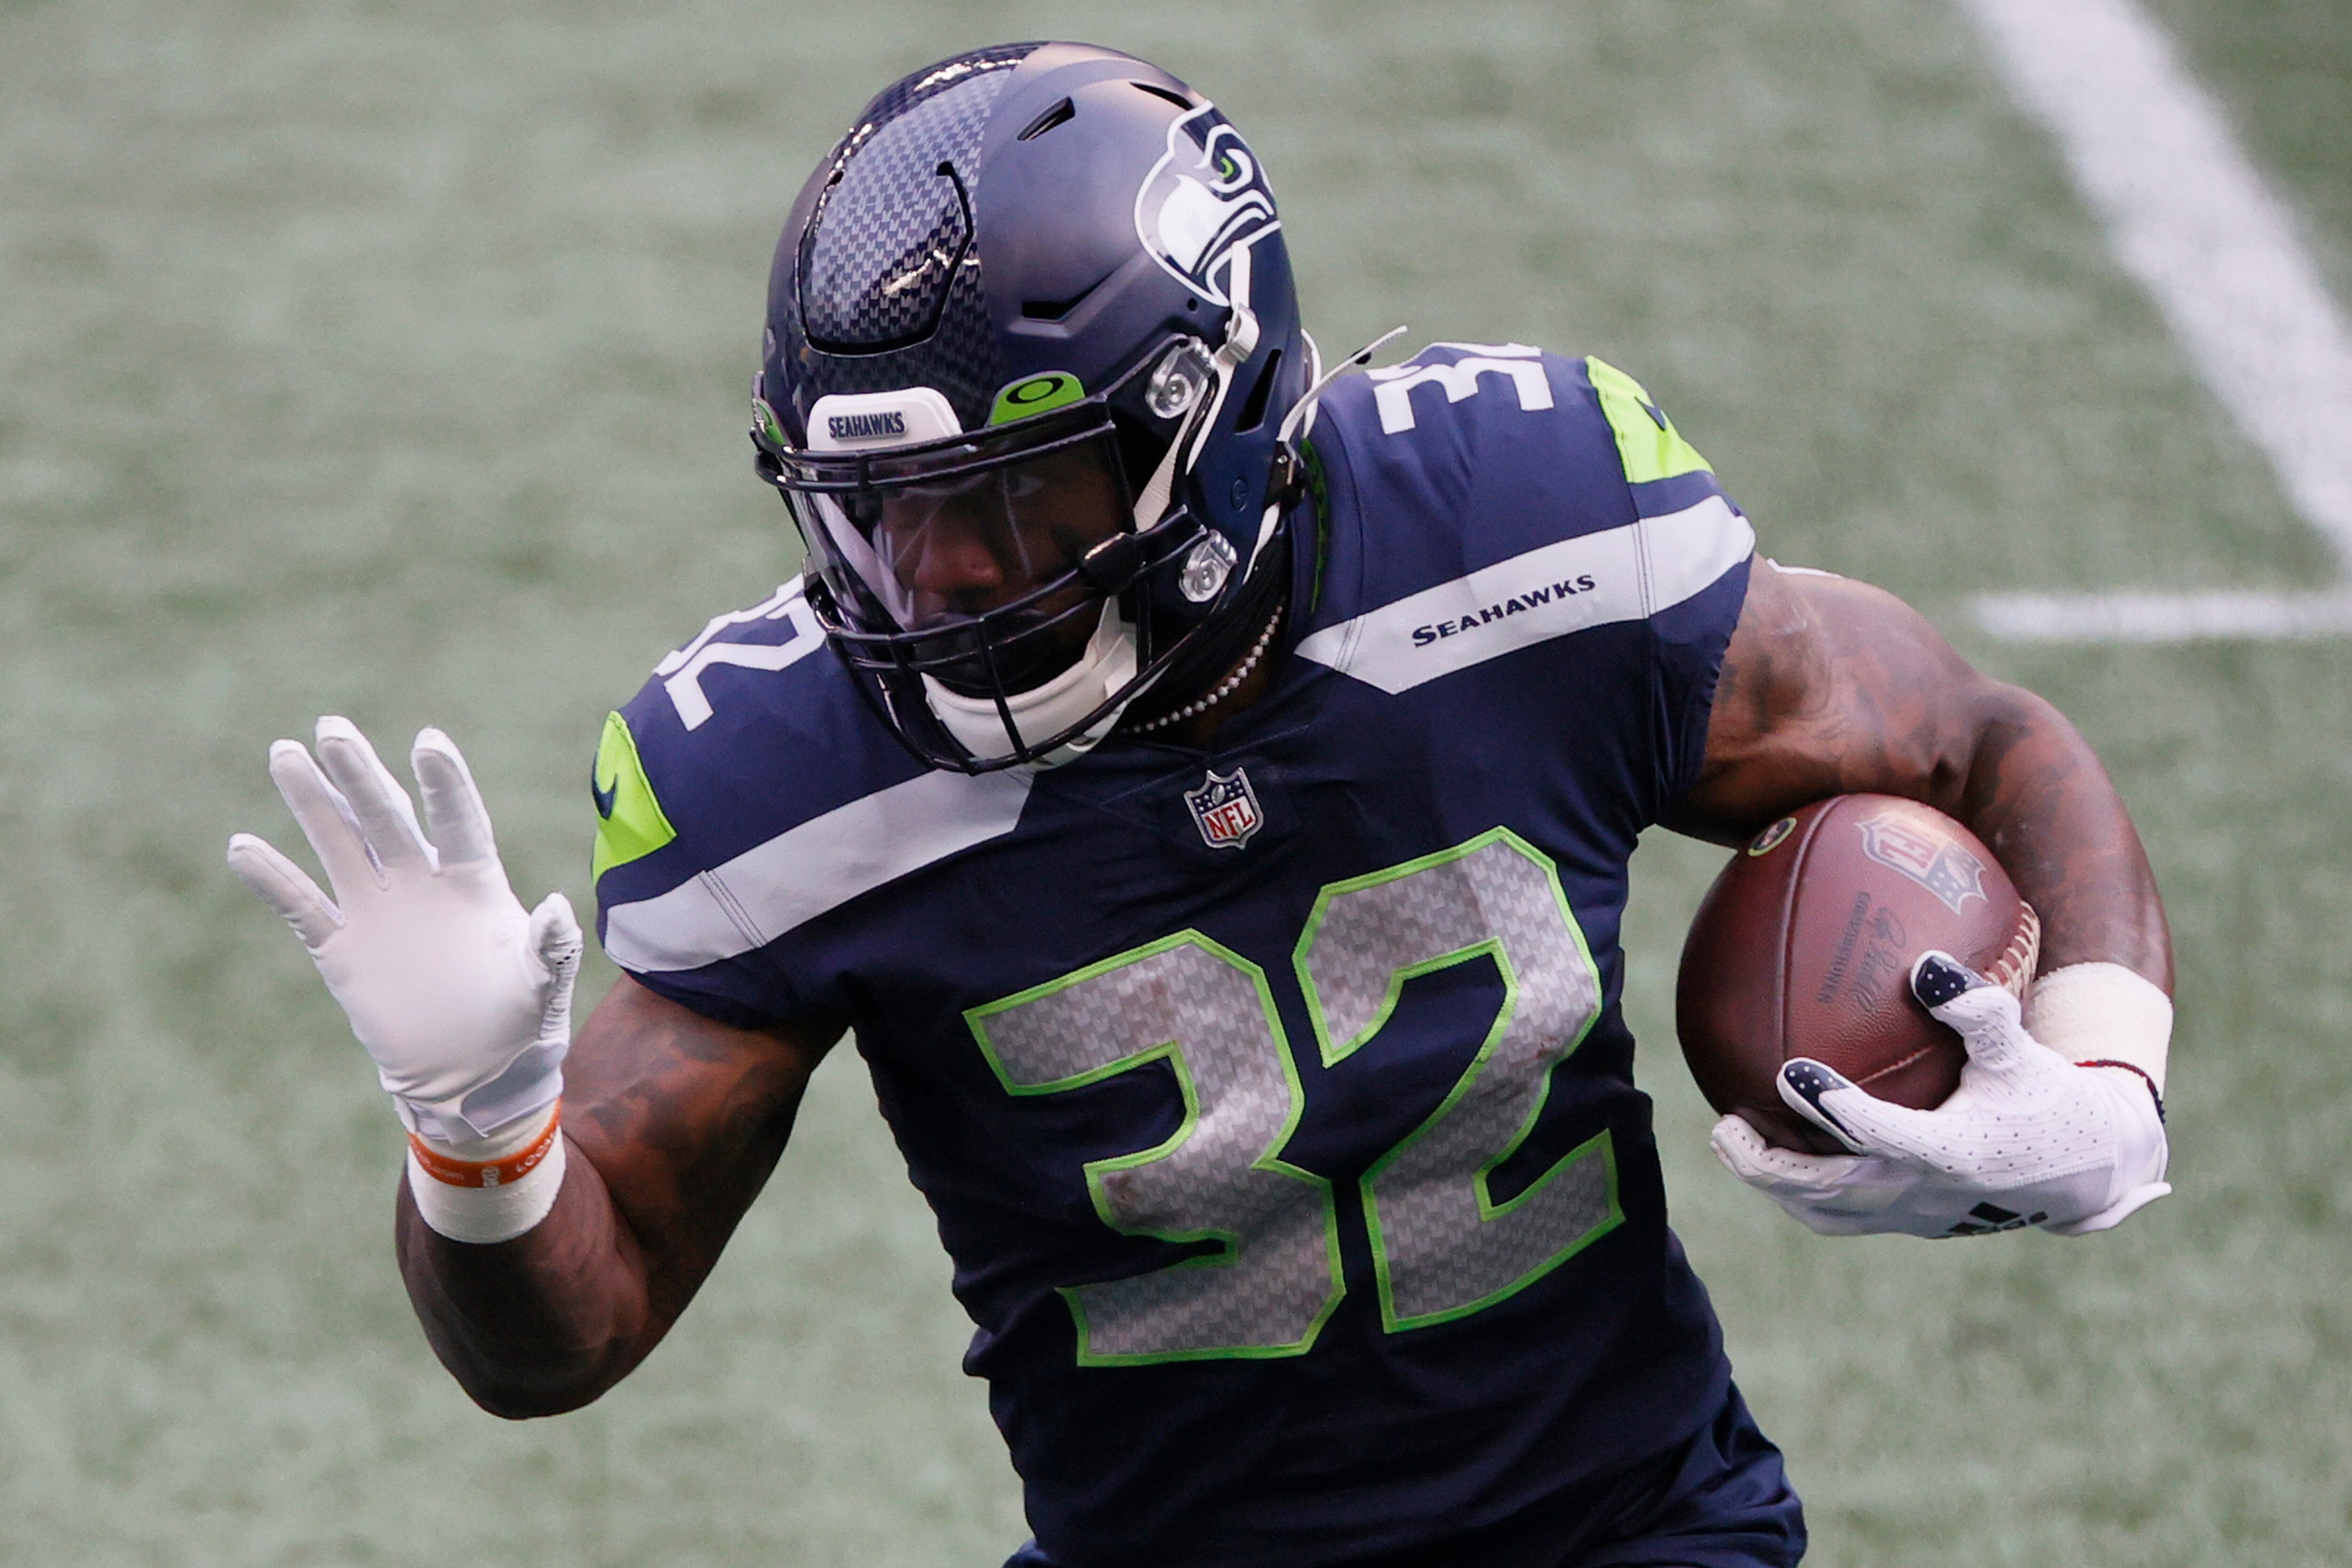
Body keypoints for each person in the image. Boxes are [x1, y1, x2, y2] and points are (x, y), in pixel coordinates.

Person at [227, 42, 2174, 1568]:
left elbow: (1970, 744)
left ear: (1212, 421)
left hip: (1627, 1531)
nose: (942, 588)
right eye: (879, 521)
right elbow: (571, 1333)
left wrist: (2095, 1073)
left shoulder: (1525, 539)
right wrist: (477, 1139)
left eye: (1008, 501)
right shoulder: (778, 771)